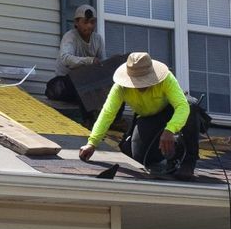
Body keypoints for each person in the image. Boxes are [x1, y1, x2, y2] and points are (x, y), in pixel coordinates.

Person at [76, 51, 201, 180]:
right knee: (138, 157)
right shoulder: (121, 87)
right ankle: (167, 153)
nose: (140, 85)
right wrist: (92, 143)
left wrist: (170, 130)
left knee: (191, 107)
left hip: (170, 112)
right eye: (136, 82)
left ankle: (187, 161)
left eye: (144, 81)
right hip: (148, 118)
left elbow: (182, 106)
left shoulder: (166, 78)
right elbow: (107, 113)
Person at [45, 5, 105, 121]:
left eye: (92, 22)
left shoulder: (97, 40)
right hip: (66, 82)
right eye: (86, 22)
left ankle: (115, 120)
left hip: (87, 86)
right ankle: (88, 120)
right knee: (60, 85)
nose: (89, 26)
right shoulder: (70, 37)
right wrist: (89, 60)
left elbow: (102, 64)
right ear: (76, 22)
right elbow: (66, 58)